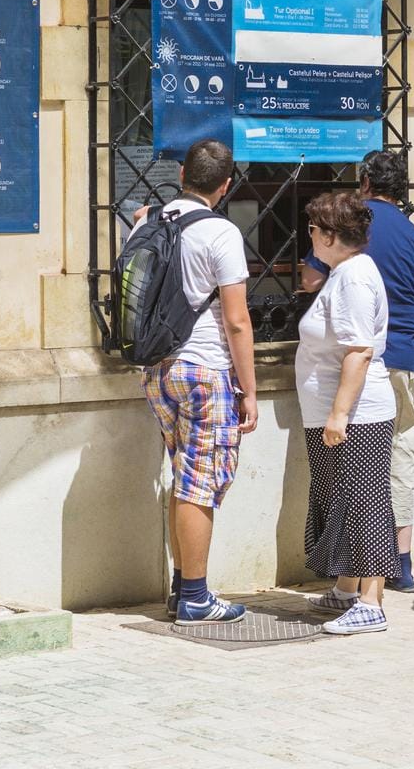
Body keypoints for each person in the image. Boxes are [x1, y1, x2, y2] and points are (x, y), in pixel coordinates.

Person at [302, 152, 414, 593]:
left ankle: (366, 591)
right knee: (398, 467)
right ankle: (400, 567)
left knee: (357, 485)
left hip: (355, 373)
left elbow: (309, 282)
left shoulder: (347, 236)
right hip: (401, 361)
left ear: (364, 181)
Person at [134, 139, 259, 624]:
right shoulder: (220, 232)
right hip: (205, 368)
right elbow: (237, 321)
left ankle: (180, 587)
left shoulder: (147, 220)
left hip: (157, 369)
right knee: (199, 484)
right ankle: (196, 597)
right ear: (225, 186)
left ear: (183, 173)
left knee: (183, 476)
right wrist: (249, 390)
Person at [295, 191, 399, 635]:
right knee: (340, 498)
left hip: (358, 414)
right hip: (334, 411)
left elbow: (359, 350)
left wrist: (339, 414)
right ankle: (345, 588)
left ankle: (371, 602)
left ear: (330, 235)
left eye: (313, 229)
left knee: (364, 500)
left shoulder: (354, 277)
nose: (310, 236)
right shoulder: (344, 273)